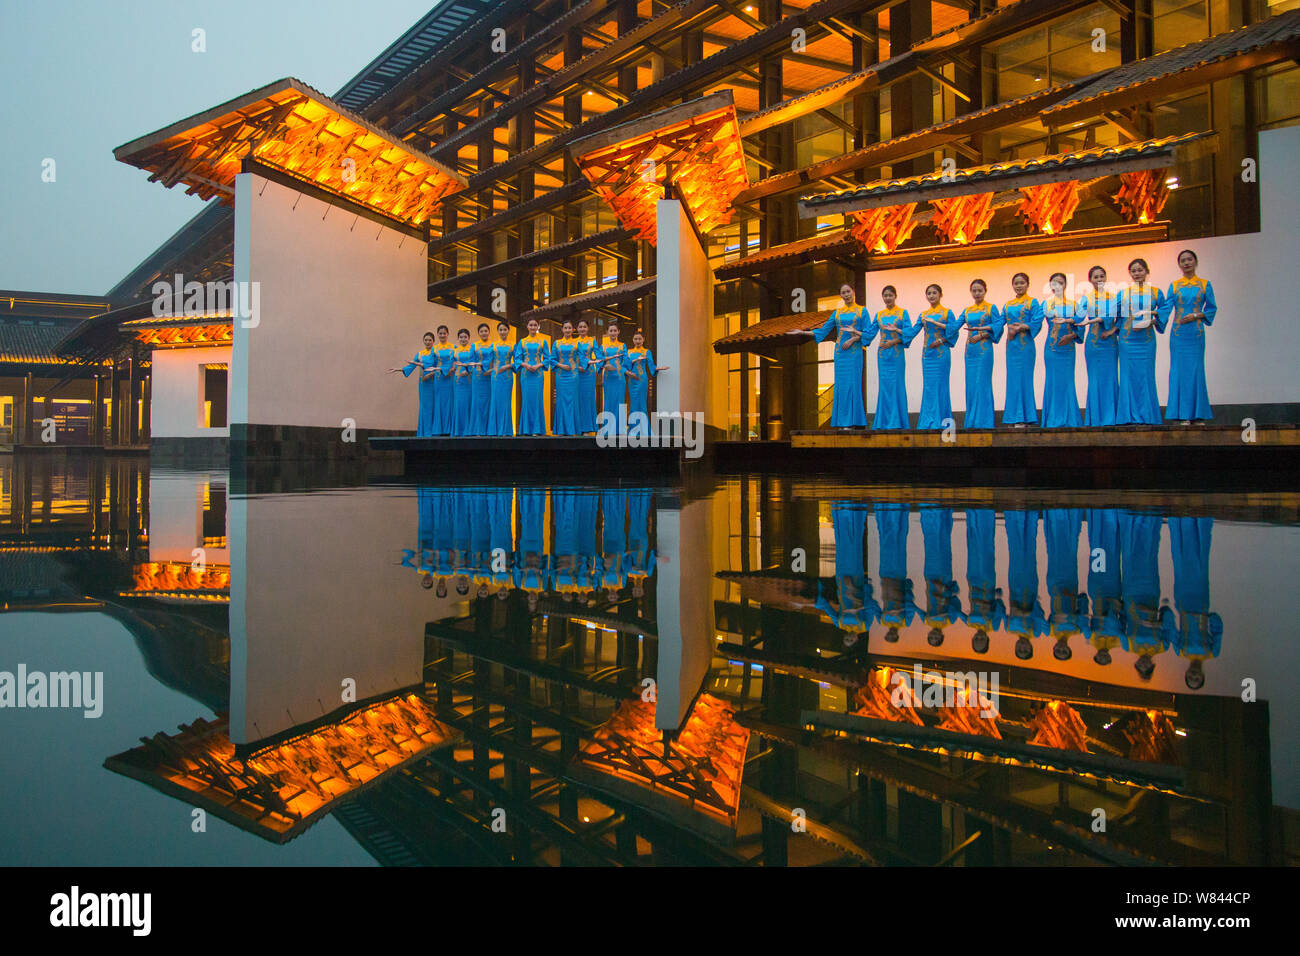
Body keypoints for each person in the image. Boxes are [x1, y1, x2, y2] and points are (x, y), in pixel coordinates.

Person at [797, 282, 873, 428]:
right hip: (840, 354)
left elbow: (868, 333)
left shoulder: (862, 311)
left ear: (853, 292)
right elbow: (823, 330)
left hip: (854, 352)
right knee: (842, 386)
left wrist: (853, 339)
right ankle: (843, 422)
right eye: (843, 293)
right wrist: (802, 333)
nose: (846, 295)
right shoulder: (837, 313)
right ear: (841, 295)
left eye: (848, 291)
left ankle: (854, 421)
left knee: (853, 385)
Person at [1162, 249, 1217, 423]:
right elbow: (1166, 308)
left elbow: (1212, 308)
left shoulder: (1205, 284)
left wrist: (1195, 315)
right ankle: (1183, 415)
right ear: (1179, 265)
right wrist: (1152, 318)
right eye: (1183, 261)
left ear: (1195, 261)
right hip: (1178, 335)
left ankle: (1198, 414)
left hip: (1195, 333)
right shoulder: (1175, 285)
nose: (1186, 263)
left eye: (1189, 259)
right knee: (1179, 372)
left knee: (1196, 371)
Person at [1116, 257, 1167, 425]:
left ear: (1147, 271)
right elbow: (1112, 314)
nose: (1137, 273)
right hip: (1127, 340)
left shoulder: (1156, 292)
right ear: (1130, 274)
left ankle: (1148, 415)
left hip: (1146, 341)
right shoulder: (1123, 294)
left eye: (1140, 270)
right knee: (1127, 376)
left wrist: (1152, 320)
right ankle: (1127, 416)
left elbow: (1164, 310)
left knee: (1146, 375)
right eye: (1134, 271)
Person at [1077, 265, 1121, 427]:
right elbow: (1079, 319)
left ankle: (1113, 418)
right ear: (1090, 280)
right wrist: (1067, 320)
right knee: (1094, 380)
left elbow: (1120, 318)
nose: (1099, 279)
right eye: (1096, 277)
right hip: (1093, 344)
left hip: (1109, 343)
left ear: (1106, 278)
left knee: (1110, 378)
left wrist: (1112, 330)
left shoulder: (1114, 297)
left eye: (1102, 276)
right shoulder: (1085, 299)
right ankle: (1095, 419)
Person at [959, 279, 1003, 429]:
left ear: (985, 291)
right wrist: (937, 325)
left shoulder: (991, 308)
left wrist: (982, 334)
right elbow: (953, 325)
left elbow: (998, 325)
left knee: (981, 383)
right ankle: (972, 421)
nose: (977, 293)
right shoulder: (967, 310)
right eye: (974, 291)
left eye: (980, 291)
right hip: (970, 351)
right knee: (971, 384)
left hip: (984, 350)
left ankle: (984, 421)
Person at [871, 285, 917, 430]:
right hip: (883, 356)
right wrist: (855, 335)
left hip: (896, 354)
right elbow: (869, 332)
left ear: (895, 296)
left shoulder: (903, 313)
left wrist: (894, 341)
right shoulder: (879, 315)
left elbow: (908, 333)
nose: (888, 298)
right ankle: (883, 422)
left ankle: (898, 422)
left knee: (897, 385)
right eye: (885, 295)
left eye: (890, 295)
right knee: (884, 386)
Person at [916, 283, 959, 430]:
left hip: (941, 354)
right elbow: (912, 330)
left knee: (941, 386)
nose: (931, 296)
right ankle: (928, 421)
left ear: (940, 295)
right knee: (929, 387)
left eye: (934, 293)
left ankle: (942, 421)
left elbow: (954, 331)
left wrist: (941, 340)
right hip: (927, 355)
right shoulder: (923, 315)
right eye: (929, 293)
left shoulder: (947, 313)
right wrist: (897, 331)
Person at [1002, 272, 1043, 427]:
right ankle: (1013, 417)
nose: (1019, 286)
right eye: (1016, 283)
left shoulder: (1033, 302)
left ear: (1028, 284)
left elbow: (1037, 320)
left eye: (1022, 283)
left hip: (1026, 346)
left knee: (1024, 379)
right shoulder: (1008, 304)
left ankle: (1025, 417)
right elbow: (999, 321)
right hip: (1011, 346)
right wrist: (982, 330)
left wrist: (1021, 327)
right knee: (1012, 380)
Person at [1041, 272, 1082, 428]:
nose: (1057, 286)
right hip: (1052, 348)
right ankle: (1052, 419)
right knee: (1052, 381)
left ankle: (1070, 418)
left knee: (1067, 381)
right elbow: (1035, 321)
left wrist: (1071, 336)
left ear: (1065, 285)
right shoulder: (1045, 304)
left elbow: (1079, 326)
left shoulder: (1074, 304)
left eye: (1061, 282)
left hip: (1068, 348)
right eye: (1054, 283)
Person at [389, 331, 437, 436]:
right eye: (426, 340)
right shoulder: (420, 353)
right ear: (423, 341)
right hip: (423, 384)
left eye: (430, 340)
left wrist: (430, 375)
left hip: (432, 382)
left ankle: (432, 432)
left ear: (433, 341)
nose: (428, 342)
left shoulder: (436, 353)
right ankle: (424, 432)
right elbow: (411, 366)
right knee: (424, 406)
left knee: (432, 406)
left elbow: (439, 367)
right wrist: (398, 369)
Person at [626, 329, 670, 438]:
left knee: (642, 403)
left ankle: (644, 430)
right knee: (633, 403)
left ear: (643, 340)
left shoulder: (646, 351)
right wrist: (631, 367)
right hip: (632, 380)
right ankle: (633, 429)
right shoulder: (629, 351)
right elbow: (626, 366)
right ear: (632, 340)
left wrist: (658, 368)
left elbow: (651, 366)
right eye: (635, 339)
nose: (637, 341)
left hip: (642, 380)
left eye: (639, 339)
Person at [514, 317, 551, 435]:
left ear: (538, 326)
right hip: (526, 374)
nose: (533, 327)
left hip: (538, 374)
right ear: (527, 326)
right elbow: (517, 358)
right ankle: (526, 429)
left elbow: (548, 358)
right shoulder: (522, 341)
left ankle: (537, 429)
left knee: (537, 400)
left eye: (535, 325)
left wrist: (538, 366)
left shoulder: (543, 341)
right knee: (526, 400)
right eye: (531, 325)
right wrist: (526, 365)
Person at [551, 320, 583, 435]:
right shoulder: (557, 343)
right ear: (562, 330)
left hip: (573, 375)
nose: (568, 330)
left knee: (573, 400)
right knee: (561, 401)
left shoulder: (577, 343)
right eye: (566, 328)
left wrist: (591, 363)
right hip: (561, 375)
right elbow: (551, 359)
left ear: (573, 330)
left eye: (570, 328)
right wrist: (561, 365)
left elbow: (583, 358)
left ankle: (572, 429)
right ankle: (561, 429)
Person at [596, 321, 629, 433]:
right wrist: (605, 365)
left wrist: (620, 367)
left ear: (618, 332)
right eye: (611, 331)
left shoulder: (622, 345)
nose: (613, 332)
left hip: (619, 378)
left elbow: (626, 361)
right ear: (607, 332)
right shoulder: (603, 346)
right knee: (608, 401)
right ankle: (608, 429)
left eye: (615, 330)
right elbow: (599, 360)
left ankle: (620, 429)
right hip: (608, 378)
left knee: (619, 401)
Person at [487, 320, 516, 436]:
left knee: (505, 401)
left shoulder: (513, 344)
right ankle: (494, 430)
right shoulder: (493, 345)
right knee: (495, 401)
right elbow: (487, 360)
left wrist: (508, 366)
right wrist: (476, 366)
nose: (503, 332)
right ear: (497, 331)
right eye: (501, 330)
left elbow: (518, 361)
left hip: (507, 376)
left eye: (505, 329)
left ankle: (506, 430)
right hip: (496, 376)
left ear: (508, 331)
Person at [428, 325, 457, 436]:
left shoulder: (453, 347)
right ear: (437, 334)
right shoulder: (434, 349)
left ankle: (450, 429)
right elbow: (431, 363)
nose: (442, 335)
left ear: (448, 334)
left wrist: (453, 368)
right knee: (439, 401)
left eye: (444, 333)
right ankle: (438, 429)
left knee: (450, 401)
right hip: (439, 378)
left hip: (450, 377)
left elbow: (456, 360)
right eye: (440, 333)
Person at [451, 328, 479, 436]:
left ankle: (469, 430)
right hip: (458, 380)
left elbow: (474, 363)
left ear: (469, 338)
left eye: (465, 337)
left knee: (469, 403)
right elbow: (451, 364)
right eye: (461, 337)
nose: (463, 339)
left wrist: (468, 371)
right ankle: (458, 431)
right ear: (458, 338)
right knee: (459, 404)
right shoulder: (454, 351)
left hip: (470, 379)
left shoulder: (472, 349)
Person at [575, 320, 599, 435]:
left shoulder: (592, 341)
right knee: (578, 399)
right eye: (580, 327)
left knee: (588, 399)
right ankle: (578, 428)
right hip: (577, 373)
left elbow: (598, 356)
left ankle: (588, 428)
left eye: (584, 326)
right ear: (577, 329)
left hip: (589, 373)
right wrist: (576, 367)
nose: (582, 329)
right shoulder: (574, 342)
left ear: (588, 328)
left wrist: (600, 363)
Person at [471, 322, 493, 436]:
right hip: (478, 376)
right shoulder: (474, 345)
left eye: (486, 331)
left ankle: (489, 430)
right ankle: (478, 430)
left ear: (489, 332)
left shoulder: (493, 345)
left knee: (489, 401)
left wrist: (491, 369)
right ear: (478, 333)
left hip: (489, 376)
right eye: (481, 331)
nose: (484, 333)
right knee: (477, 402)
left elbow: (495, 359)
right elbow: (471, 361)